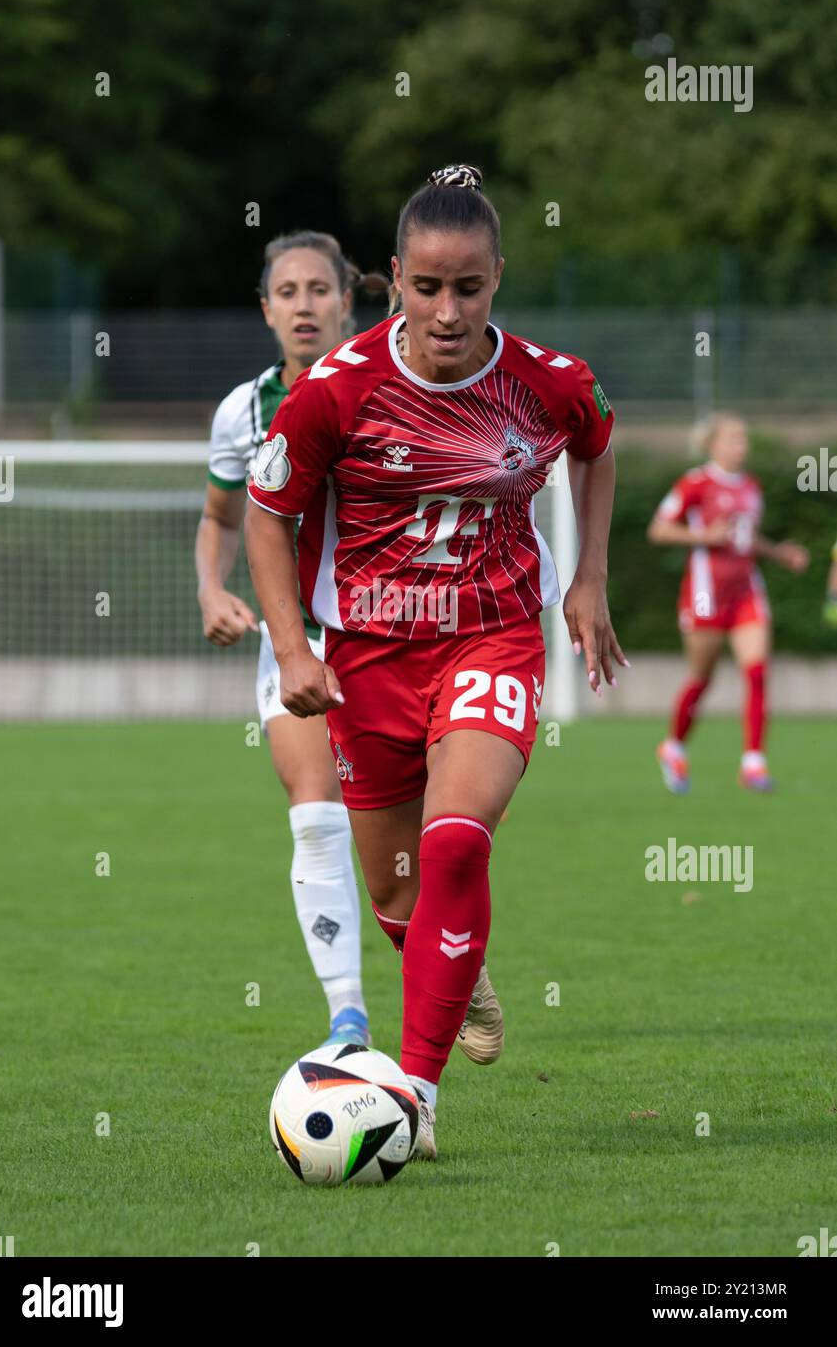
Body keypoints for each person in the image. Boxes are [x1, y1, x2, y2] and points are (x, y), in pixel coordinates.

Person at [244, 164, 625, 1158]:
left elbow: (595, 445)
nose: (447, 310)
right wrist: (291, 646)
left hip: (490, 636)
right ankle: (457, 972)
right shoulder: (338, 392)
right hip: (365, 656)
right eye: (425, 287)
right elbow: (266, 511)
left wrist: (586, 581)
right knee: (394, 892)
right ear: (394, 282)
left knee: (456, 840)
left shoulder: (547, 382)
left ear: (497, 276)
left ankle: (414, 1093)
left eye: (468, 286)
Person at [196, 230, 385, 1047]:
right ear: (266, 307)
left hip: (392, 632)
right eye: (287, 292)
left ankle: (442, 947)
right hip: (296, 639)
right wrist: (211, 586)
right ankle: (347, 1017)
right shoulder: (244, 409)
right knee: (316, 818)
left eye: (318, 289)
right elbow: (220, 517)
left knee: (402, 842)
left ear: (347, 298)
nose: (303, 305)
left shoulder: (393, 383)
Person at [648, 412, 808, 793]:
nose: (742, 446)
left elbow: (744, 538)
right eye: (734, 439)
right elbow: (659, 530)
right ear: (713, 444)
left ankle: (753, 763)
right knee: (702, 678)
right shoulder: (695, 483)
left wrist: (778, 552)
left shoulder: (752, 486)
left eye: (744, 439)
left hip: (746, 591)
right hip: (705, 593)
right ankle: (674, 747)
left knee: (756, 671)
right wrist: (704, 536)